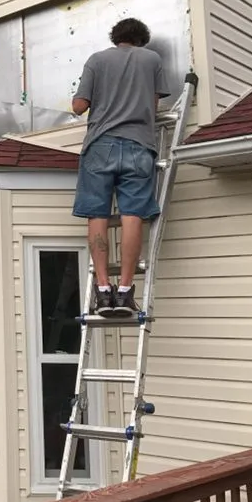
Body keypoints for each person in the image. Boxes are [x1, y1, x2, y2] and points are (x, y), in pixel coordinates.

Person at [71, 18, 171, 318]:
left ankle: (103, 291)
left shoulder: (97, 60)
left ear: (116, 37)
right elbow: (152, 108)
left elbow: (79, 106)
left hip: (100, 146)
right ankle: (125, 291)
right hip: (140, 145)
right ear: (142, 39)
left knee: (97, 215)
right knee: (132, 216)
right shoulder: (152, 59)